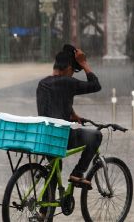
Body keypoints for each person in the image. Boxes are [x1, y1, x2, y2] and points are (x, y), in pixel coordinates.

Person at [36, 44, 102, 188]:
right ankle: (78, 173)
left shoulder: (43, 84)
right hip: (60, 136)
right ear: (67, 68)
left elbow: (56, 100)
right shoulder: (67, 82)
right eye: (72, 71)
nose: (72, 75)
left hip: (44, 135)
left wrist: (72, 114)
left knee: (54, 168)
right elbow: (95, 85)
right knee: (96, 136)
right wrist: (84, 63)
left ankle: (45, 209)